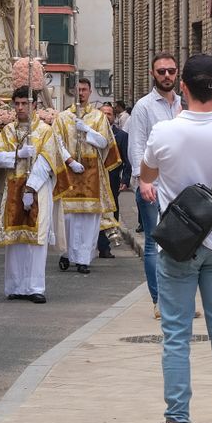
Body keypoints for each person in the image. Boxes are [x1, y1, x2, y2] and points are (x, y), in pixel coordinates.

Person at [138, 53, 212, 423]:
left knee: (175, 334)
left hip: (179, 245)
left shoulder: (165, 133)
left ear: (183, 87)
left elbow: (148, 175)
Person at [0, 86, 74, 303]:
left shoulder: (45, 130)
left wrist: (31, 187)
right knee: (15, 240)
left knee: (36, 240)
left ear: (34, 105)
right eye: (16, 103)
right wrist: (18, 155)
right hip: (13, 187)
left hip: (37, 189)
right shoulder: (8, 131)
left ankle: (35, 287)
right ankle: (15, 286)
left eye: (24, 103)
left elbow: (47, 161)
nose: (20, 108)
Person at [126, 53, 183, 309]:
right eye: (161, 71)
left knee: (181, 244)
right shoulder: (144, 107)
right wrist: (143, 181)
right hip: (153, 186)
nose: (167, 76)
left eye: (171, 71)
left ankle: (178, 299)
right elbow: (136, 147)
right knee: (154, 243)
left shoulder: (183, 105)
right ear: (153, 74)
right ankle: (160, 300)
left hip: (180, 187)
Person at [56, 77, 121, 275]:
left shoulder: (98, 117)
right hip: (70, 171)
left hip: (91, 171)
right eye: (78, 89)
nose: (81, 93)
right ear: (73, 92)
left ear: (90, 92)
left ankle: (84, 257)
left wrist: (87, 130)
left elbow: (104, 142)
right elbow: (57, 142)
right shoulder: (63, 117)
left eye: (84, 89)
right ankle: (67, 253)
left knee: (88, 218)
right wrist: (69, 161)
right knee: (68, 217)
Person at [99, 101, 126, 259]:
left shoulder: (121, 136)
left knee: (111, 212)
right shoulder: (89, 133)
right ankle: (99, 244)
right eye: (103, 113)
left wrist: (126, 179)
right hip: (94, 180)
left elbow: (126, 159)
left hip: (112, 180)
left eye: (109, 114)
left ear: (114, 117)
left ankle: (106, 245)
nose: (106, 116)